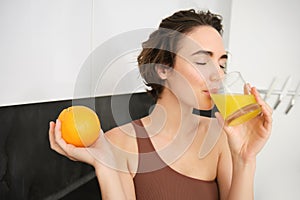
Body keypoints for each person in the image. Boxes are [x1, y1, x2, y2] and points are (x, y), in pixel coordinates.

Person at [49, 9, 272, 200]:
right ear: (163, 68)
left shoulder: (221, 136)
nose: (218, 75)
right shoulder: (118, 142)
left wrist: (245, 159)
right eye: (202, 61)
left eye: (222, 65)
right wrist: (105, 165)